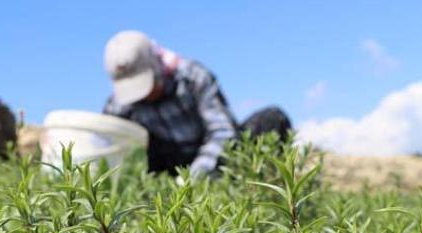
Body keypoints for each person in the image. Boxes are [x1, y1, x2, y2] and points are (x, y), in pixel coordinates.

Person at [103, 30, 292, 177]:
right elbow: (105, 143)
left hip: (214, 157)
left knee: (272, 119)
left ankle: (265, 185)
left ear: (156, 65)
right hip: (167, 166)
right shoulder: (119, 103)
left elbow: (223, 132)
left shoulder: (192, 77)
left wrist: (192, 179)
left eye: (144, 84)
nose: (141, 96)